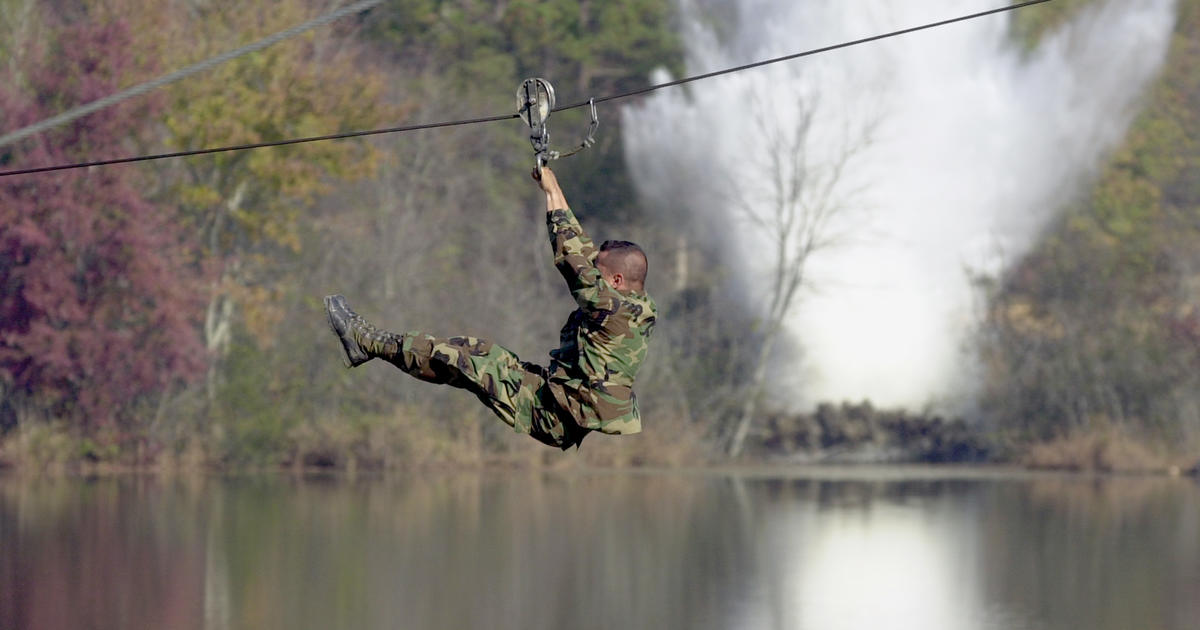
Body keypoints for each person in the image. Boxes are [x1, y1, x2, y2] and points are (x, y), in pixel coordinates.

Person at [323, 166, 657, 450]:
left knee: (466, 359)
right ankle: (369, 347)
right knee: (471, 354)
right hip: (554, 398)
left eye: (598, 270)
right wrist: (551, 189)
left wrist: (553, 191)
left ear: (614, 280)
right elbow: (582, 253)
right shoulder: (635, 306)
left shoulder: (613, 310)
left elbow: (572, 261)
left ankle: (366, 342)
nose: (591, 268)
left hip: (553, 415)